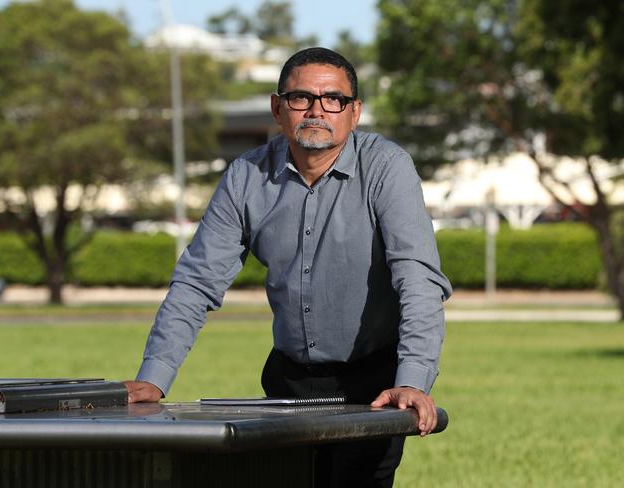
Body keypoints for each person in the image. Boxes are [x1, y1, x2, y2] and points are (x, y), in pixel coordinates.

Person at [125, 47, 452, 487]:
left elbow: (418, 280)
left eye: (333, 99)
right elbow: (196, 283)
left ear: (354, 113)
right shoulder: (245, 176)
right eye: (301, 98)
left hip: (374, 386)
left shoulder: (387, 168)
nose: (317, 110)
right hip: (289, 385)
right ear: (278, 108)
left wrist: (413, 381)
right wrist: (154, 379)